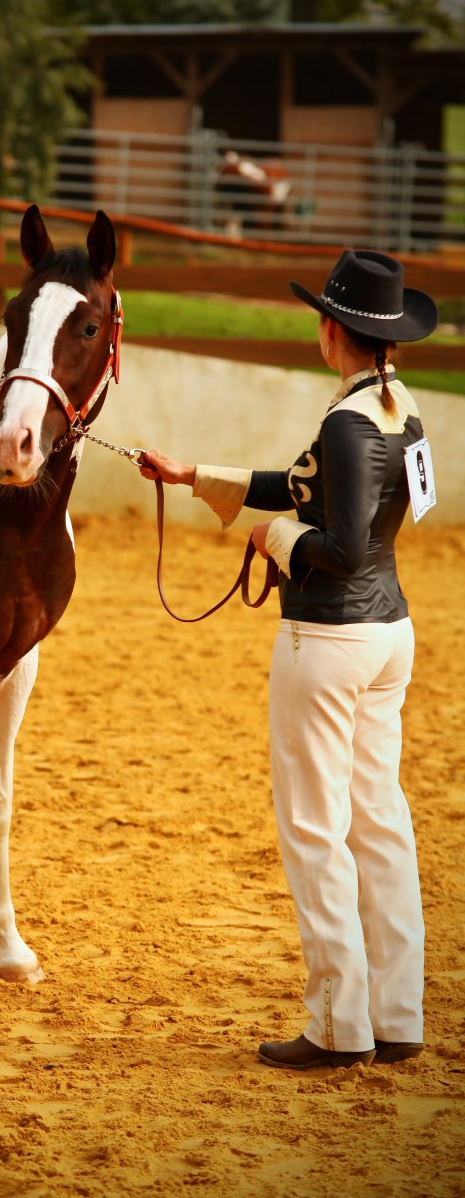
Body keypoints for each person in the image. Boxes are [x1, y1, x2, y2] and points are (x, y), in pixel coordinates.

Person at [139, 249, 438, 1070]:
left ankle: (338, 1027)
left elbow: (338, 547)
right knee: (379, 820)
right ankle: (397, 1015)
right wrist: (197, 476)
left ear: (331, 331)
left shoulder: (347, 421)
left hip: (329, 638)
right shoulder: (399, 408)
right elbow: (317, 489)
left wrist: (272, 537)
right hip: (389, 634)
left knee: (315, 828)